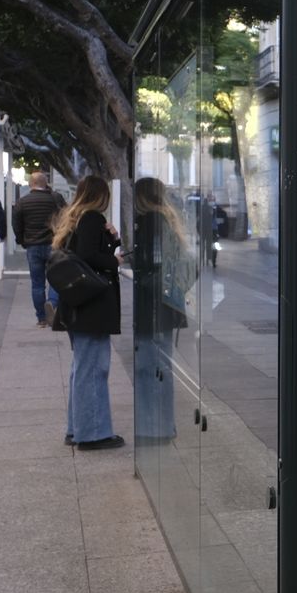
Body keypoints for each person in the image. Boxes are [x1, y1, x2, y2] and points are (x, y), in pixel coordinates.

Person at [51, 175, 124, 450]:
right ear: (100, 196)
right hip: (93, 303)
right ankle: (93, 434)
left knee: (81, 368)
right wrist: (113, 259)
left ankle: (77, 429)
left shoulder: (74, 218)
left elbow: (84, 251)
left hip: (78, 303)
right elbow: (89, 256)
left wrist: (112, 239)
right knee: (93, 368)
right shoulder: (91, 216)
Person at [131, 176, 192, 442]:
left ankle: (153, 427)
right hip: (164, 305)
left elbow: (155, 264)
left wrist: (139, 272)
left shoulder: (150, 222)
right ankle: (164, 425)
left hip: (152, 306)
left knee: (149, 368)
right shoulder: (166, 220)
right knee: (160, 367)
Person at [12, 171, 67, 327]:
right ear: (46, 183)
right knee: (56, 279)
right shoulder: (55, 199)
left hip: (33, 246)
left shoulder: (22, 202)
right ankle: (52, 303)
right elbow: (67, 217)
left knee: (37, 283)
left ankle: (41, 318)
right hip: (54, 244)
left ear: (31, 184)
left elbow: (16, 225)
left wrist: (22, 241)